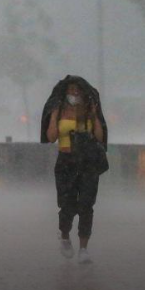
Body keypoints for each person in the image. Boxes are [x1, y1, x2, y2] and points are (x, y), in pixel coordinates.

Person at [42, 76, 108, 264]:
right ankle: (64, 235)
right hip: (66, 162)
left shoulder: (88, 111)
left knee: (87, 205)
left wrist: (94, 117)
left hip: (88, 163)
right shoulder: (60, 110)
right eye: (71, 90)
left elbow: (99, 136)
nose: (75, 93)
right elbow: (51, 137)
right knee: (67, 205)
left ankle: (84, 249)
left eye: (78, 90)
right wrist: (54, 116)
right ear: (65, 93)